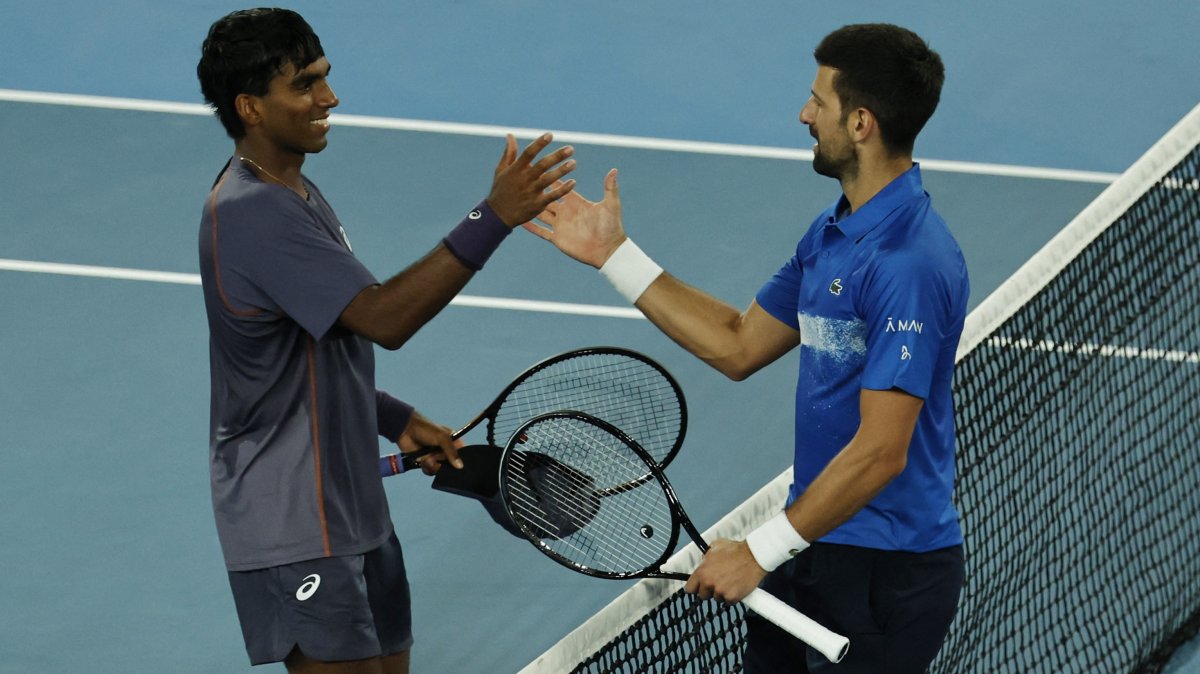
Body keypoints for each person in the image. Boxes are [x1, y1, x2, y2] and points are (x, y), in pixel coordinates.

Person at [526, 23, 967, 674]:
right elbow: (739, 344)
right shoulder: (834, 231)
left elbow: (881, 451)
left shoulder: (908, 264)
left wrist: (759, 553)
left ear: (861, 124)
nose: (804, 114)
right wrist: (615, 256)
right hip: (812, 541)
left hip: (886, 571)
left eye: (819, 101)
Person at [195, 8, 575, 673]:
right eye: (305, 84)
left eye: (324, 77)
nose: (329, 98)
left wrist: (393, 417)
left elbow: (309, 350)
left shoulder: (294, 191)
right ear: (250, 107)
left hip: (352, 508)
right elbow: (384, 318)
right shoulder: (253, 213)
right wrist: (494, 216)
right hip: (293, 520)